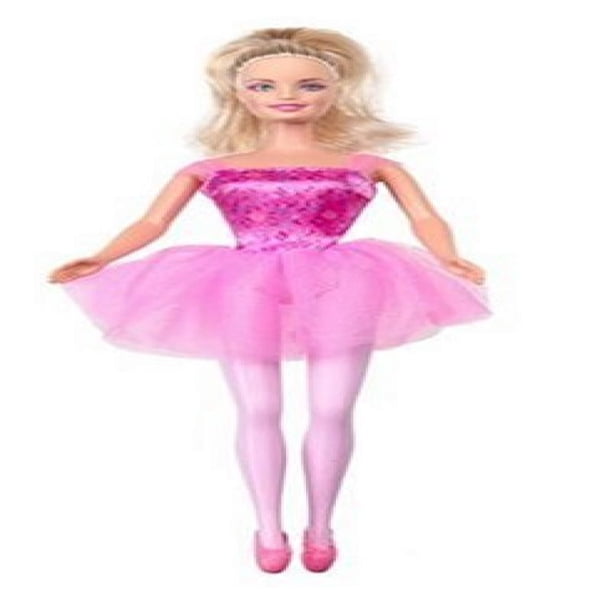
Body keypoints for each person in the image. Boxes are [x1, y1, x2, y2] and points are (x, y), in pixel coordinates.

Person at [48, 27, 492, 573]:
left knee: (332, 408)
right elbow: (152, 222)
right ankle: (268, 527)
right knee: (258, 408)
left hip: (338, 285)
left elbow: (425, 216)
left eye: (310, 85)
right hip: (244, 286)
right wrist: (101, 256)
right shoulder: (208, 170)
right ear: (239, 94)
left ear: (336, 91)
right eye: (264, 86)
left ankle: (321, 525)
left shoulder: (371, 165)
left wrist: (449, 256)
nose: (287, 96)